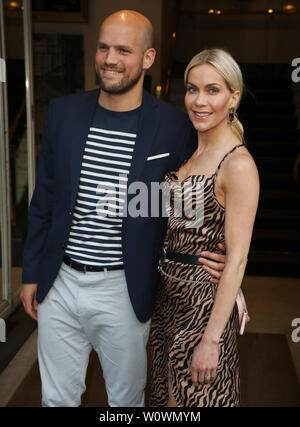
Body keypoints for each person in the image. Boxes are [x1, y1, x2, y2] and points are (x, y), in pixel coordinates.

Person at [20, 11, 225, 407]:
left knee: (126, 400)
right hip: (59, 282)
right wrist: (31, 272)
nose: (109, 58)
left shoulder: (174, 127)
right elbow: (44, 199)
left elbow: (192, 208)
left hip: (124, 290)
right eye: (103, 47)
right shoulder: (63, 113)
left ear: (148, 58)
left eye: (123, 50)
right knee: (56, 399)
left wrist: (224, 269)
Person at [150, 48, 260, 407]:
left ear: (234, 97)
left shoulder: (238, 165)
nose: (199, 101)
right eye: (192, 89)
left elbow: (239, 258)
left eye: (212, 90)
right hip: (167, 301)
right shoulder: (189, 150)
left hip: (202, 308)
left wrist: (212, 339)